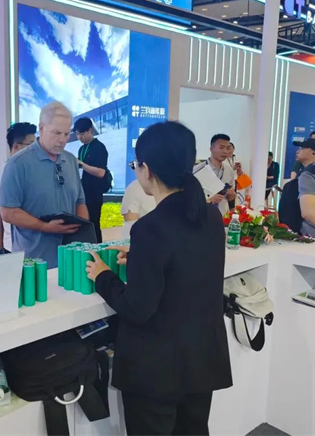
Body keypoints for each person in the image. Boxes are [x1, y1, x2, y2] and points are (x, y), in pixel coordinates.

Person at [86, 121, 232, 435]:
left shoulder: (151, 227)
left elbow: (137, 307)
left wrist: (103, 276)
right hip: (201, 359)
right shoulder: (210, 216)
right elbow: (186, 267)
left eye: (135, 165)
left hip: (157, 369)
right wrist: (139, 257)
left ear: (147, 169)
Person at [0, 101, 89, 267]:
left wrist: (83, 236)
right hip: (33, 263)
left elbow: (80, 201)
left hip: (69, 260)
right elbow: (8, 212)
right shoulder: (17, 164)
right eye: (57, 133)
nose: (62, 140)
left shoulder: (70, 161)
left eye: (66, 134)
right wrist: (44, 226)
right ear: (41, 128)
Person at [74, 117, 109, 243]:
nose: (79, 137)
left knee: (94, 224)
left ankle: (97, 249)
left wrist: (82, 164)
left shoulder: (99, 147)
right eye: (77, 134)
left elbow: (101, 173)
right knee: (83, 225)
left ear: (90, 130)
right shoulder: (82, 149)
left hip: (94, 194)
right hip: (83, 193)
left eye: (82, 133)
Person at [3, 122, 37, 253]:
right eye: (31, 145)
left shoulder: (28, 169)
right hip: (17, 246)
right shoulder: (10, 171)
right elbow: (11, 213)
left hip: (30, 242)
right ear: (17, 147)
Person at [194, 134, 237, 215]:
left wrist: (232, 195)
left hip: (222, 215)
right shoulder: (197, 170)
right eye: (221, 147)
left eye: (227, 148)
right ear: (211, 149)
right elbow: (191, 198)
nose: (225, 151)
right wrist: (209, 200)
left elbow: (230, 198)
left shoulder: (229, 170)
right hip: (203, 214)